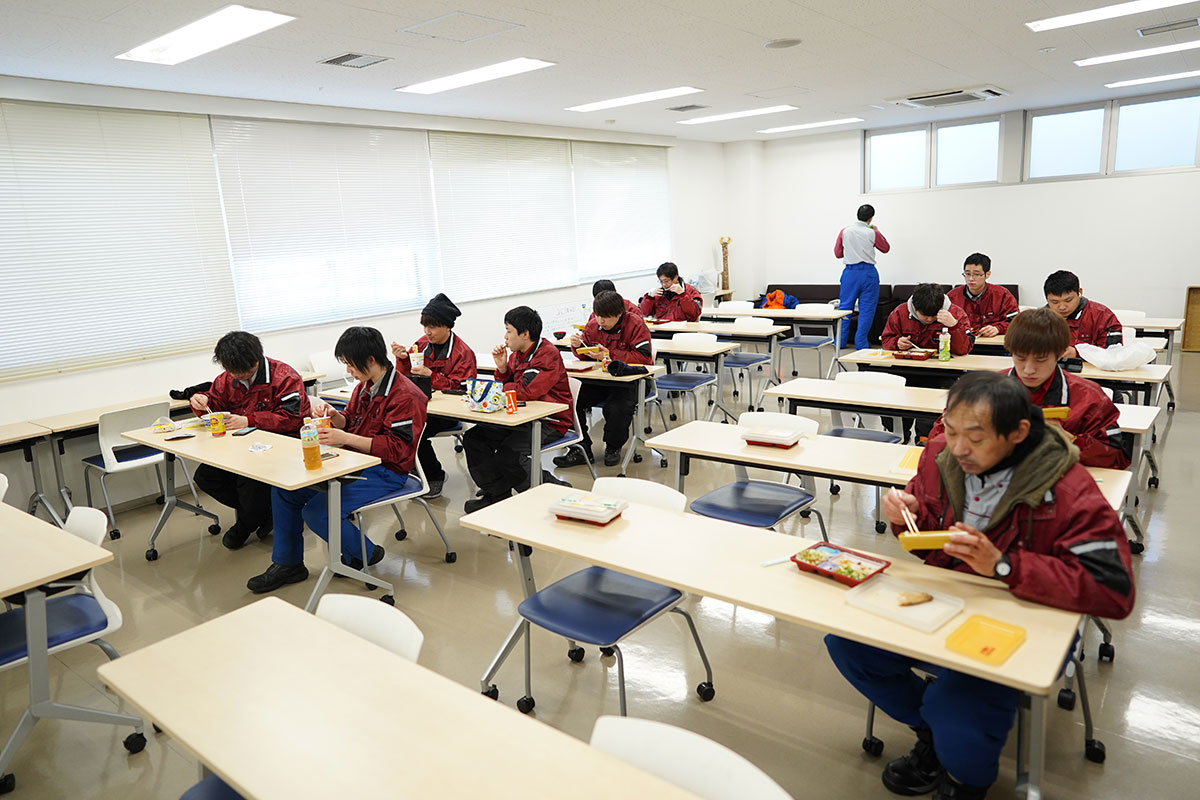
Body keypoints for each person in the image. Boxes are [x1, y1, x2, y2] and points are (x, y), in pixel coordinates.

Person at [826, 371, 1134, 800]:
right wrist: (906, 518)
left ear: (1018, 433)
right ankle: (931, 733)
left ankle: (965, 779)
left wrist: (1005, 566)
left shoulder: (1066, 487)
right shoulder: (941, 458)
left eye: (974, 437)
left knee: (956, 705)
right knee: (848, 643)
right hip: (948, 602)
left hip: (1024, 619)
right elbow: (931, 542)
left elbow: (1114, 590)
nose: (958, 448)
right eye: (951, 431)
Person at [246, 326, 427, 594]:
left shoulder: (406, 395)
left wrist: (345, 436)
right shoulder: (365, 387)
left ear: (370, 360)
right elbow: (351, 420)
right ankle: (289, 564)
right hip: (353, 461)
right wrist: (336, 416)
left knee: (317, 511)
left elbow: (397, 449)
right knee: (285, 491)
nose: (349, 371)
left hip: (386, 471)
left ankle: (366, 552)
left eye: (351, 365)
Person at [928, 309, 1131, 470]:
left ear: (1061, 354)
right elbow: (937, 441)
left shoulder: (1089, 397)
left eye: (1040, 360)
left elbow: (1117, 457)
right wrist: (958, 430)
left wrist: (1069, 439)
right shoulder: (983, 390)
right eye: (1020, 358)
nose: (1028, 369)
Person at [189, 331, 310, 550]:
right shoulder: (227, 379)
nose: (239, 376)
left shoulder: (285, 377)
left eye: (245, 372)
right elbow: (214, 406)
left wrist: (249, 420)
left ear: (257, 359)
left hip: (280, 444)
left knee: (250, 479)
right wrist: (201, 402)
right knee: (205, 477)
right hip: (241, 446)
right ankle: (264, 513)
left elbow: (293, 418)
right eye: (233, 371)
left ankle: (246, 523)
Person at [462, 306, 575, 513]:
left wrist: (497, 388)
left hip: (551, 420)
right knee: (474, 439)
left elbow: (526, 391)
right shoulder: (517, 355)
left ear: (525, 334)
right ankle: (497, 494)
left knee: (509, 454)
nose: (505, 337)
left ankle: (552, 491)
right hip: (520, 417)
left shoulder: (547, 354)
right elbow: (513, 386)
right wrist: (502, 368)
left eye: (508, 331)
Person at [555, 290, 654, 468]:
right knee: (569, 399)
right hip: (601, 381)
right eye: (598, 315)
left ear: (619, 314)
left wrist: (610, 355)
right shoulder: (593, 325)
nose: (600, 321)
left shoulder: (635, 324)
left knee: (616, 407)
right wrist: (577, 346)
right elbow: (585, 355)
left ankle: (613, 447)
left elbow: (644, 358)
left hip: (632, 380)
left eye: (606, 317)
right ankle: (580, 448)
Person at [391, 293, 475, 498]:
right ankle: (413, 470)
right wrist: (402, 359)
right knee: (397, 426)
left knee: (414, 430)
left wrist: (432, 376)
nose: (427, 332)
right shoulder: (421, 344)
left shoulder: (463, 353)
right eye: (425, 326)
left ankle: (434, 475)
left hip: (447, 412)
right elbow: (404, 379)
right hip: (423, 406)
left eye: (433, 327)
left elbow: (463, 389)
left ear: (447, 326)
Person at [835, 204, 891, 350]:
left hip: (850, 273)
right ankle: (861, 344)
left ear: (857, 215)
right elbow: (885, 248)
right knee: (867, 309)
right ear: (871, 218)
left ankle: (840, 341)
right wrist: (877, 231)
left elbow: (838, 253)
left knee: (845, 308)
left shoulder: (845, 231)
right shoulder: (872, 233)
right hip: (868, 274)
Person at [1043, 270, 1122, 356]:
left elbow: (1113, 354)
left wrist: (1078, 353)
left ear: (1079, 292)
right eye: (1054, 302)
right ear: (1047, 299)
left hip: (1090, 365)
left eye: (1068, 300)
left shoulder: (1103, 316)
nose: (1062, 307)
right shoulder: (1039, 320)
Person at [881, 283, 972, 355]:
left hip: (945, 366)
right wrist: (897, 343)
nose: (929, 319)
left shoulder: (956, 313)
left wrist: (954, 326)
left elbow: (964, 350)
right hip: (908, 363)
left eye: (934, 315)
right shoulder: (900, 313)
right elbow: (886, 340)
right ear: (914, 307)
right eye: (924, 315)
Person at [946, 253, 1019, 338]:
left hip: (991, 343)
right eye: (967, 274)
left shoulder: (1002, 295)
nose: (971, 279)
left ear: (987, 274)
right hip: (962, 343)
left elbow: (1016, 322)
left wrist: (998, 328)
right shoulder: (952, 297)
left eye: (977, 274)